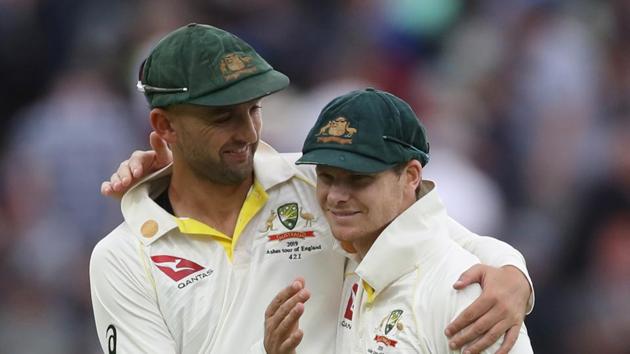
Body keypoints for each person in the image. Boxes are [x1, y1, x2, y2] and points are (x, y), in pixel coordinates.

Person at [92, 23, 533, 354]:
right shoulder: (123, 259)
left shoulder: (314, 182)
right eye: (222, 118)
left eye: (254, 110)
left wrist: (515, 279)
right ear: (164, 125)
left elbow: (440, 241)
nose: (247, 133)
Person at [265, 88, 533, 353]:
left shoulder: (466, 296)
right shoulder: (352, 259)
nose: (336, 196)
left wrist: (513, 271)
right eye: (326, 177)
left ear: (411, 176)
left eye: (359, 179)